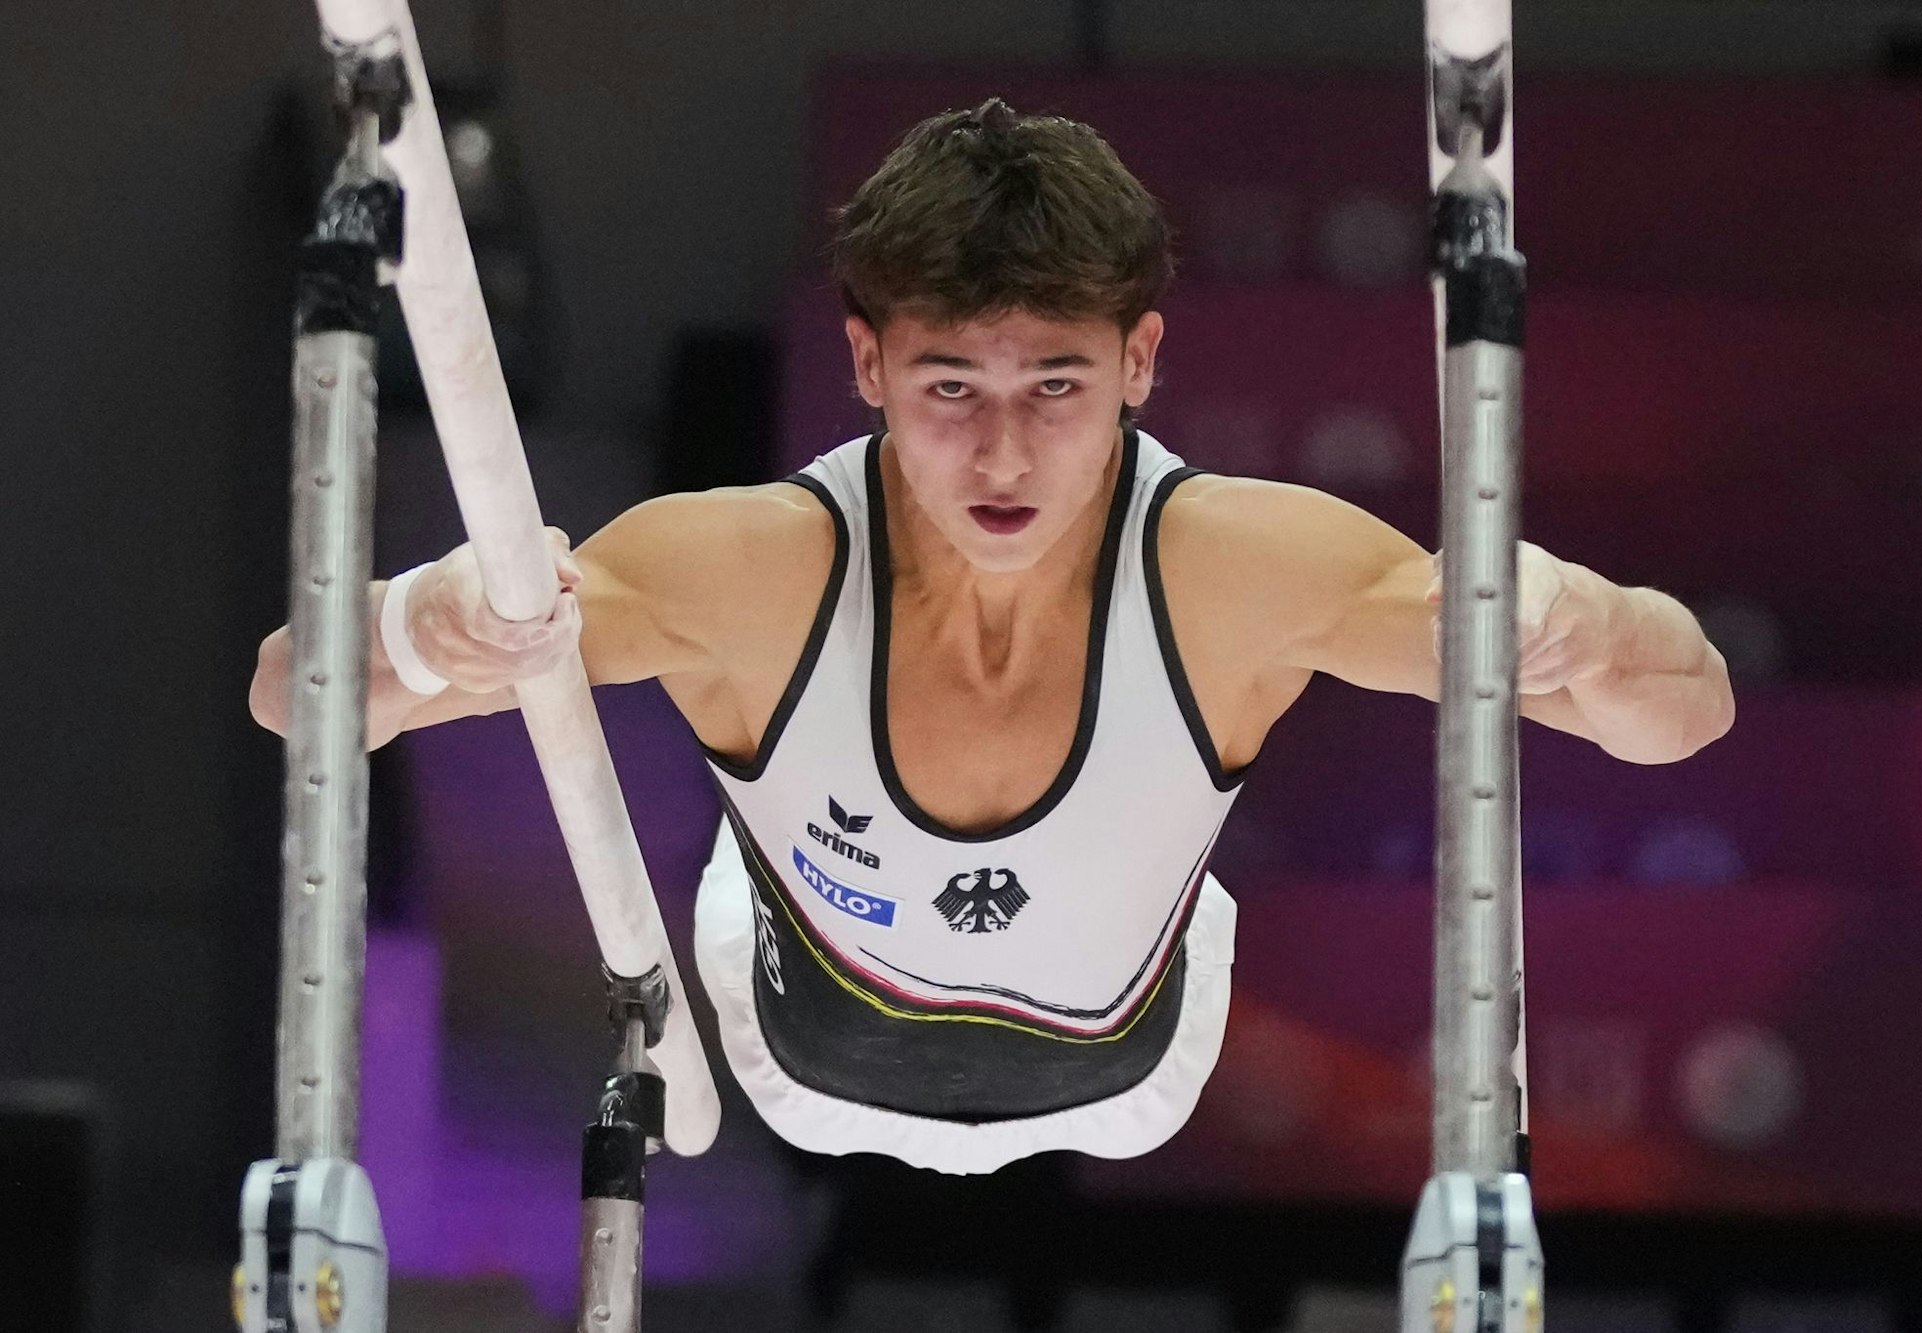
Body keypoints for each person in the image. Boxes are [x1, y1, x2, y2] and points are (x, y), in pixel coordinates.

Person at [250, 98, 1733, 1175]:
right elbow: (289, 697)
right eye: (951, 387)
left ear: (1143, 360)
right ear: (868, 362)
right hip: (804, 1054)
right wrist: (424, 625)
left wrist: (1582, 628)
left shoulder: (1234, 571)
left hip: (1132, 1067)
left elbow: (1689, 712)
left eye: (1060, 386)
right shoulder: (750, 573)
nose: (1005, 455)